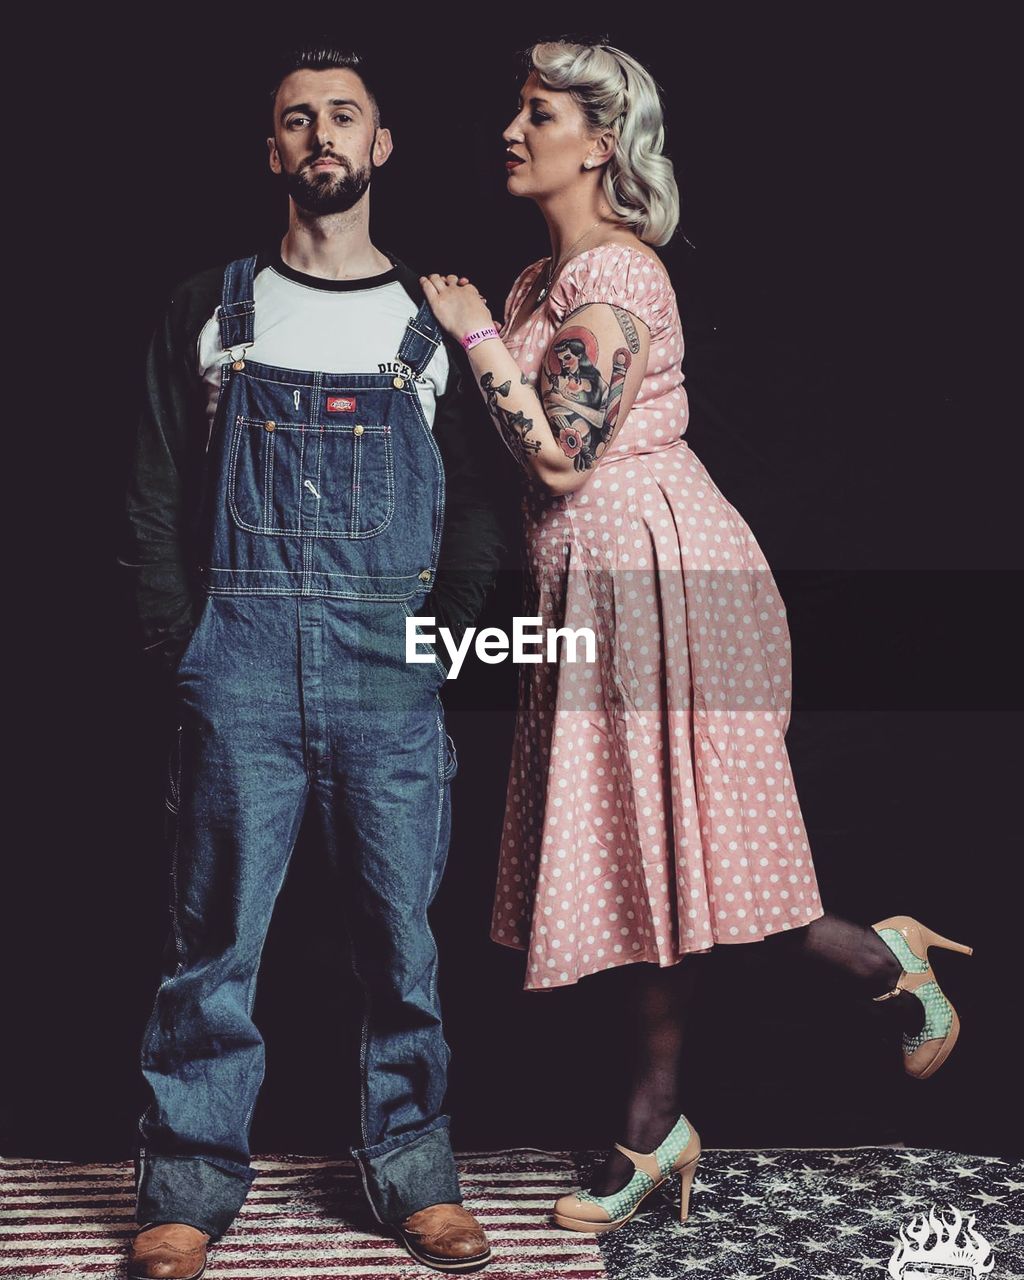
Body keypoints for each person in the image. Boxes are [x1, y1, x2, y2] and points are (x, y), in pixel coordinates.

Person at [420, 39, 972, 1234]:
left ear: (599, 141)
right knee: (642, 865)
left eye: (539, 113)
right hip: (590, 584)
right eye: (514, 111)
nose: (511, 131)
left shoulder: (614, 276)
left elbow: (562, 455)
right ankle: (657, 1121)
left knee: (697, 854)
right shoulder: (532, 285)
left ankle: (882, 966)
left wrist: (467, 339)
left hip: (660, 574)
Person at [121, 47, 503, 1278]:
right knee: (212, 941)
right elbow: (154, 492)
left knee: (401, 937)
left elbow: (483, 504)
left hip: (390, 656)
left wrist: (440, 626)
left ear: (381, 146)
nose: (321, 134)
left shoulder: (432, 321)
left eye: (344, 114)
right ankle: (184, 1188)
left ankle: (415, 1176)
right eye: (297, 120)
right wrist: (181, 645)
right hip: (236, 654)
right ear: (273, 154)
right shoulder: (211, 307)